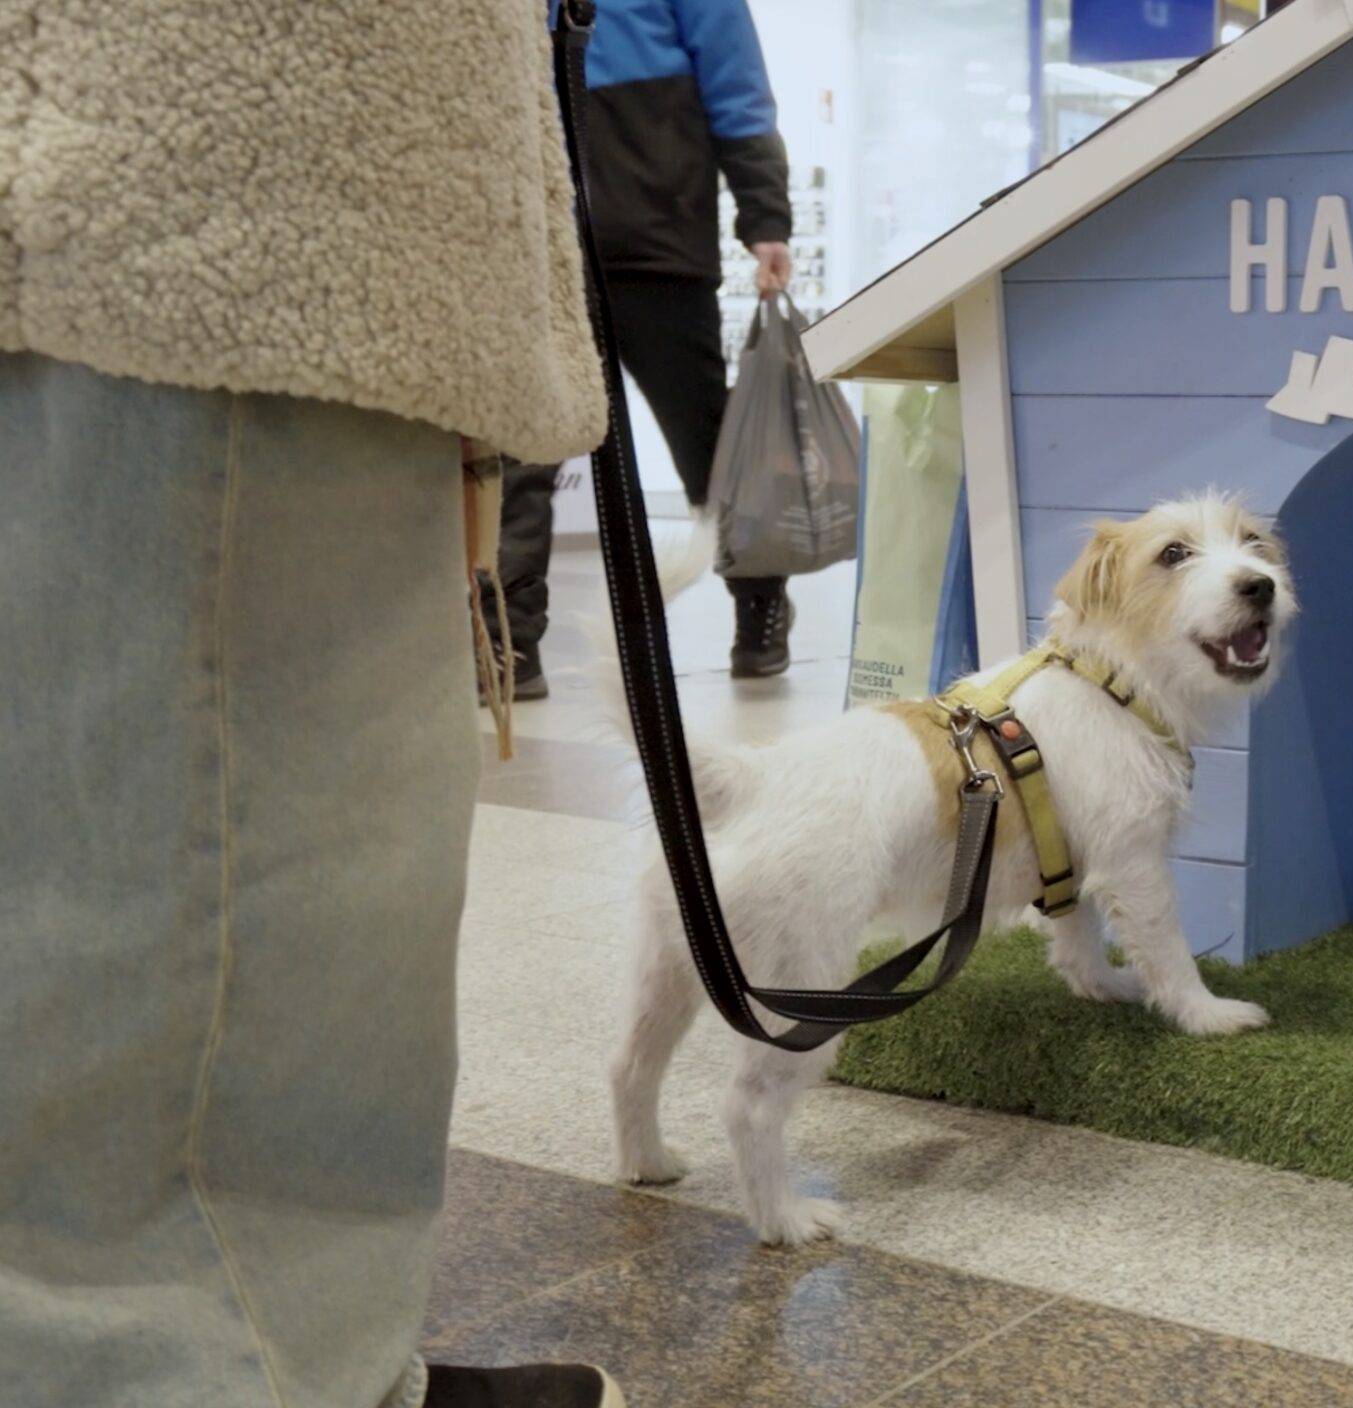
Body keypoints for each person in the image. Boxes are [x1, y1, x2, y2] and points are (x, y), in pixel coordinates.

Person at [1, 5, 621, 1406]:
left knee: (106, 829)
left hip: (144, 171)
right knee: (257, 835)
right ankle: (211, 1365)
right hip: (217, 163)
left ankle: (264, 1344)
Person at [486, 0, 800, 693]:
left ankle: (759, 604)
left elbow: (736, 81)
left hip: (659, 240)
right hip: (543, 248)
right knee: (528, 449)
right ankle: (511, 643)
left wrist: (766, 216)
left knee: (707, 443)